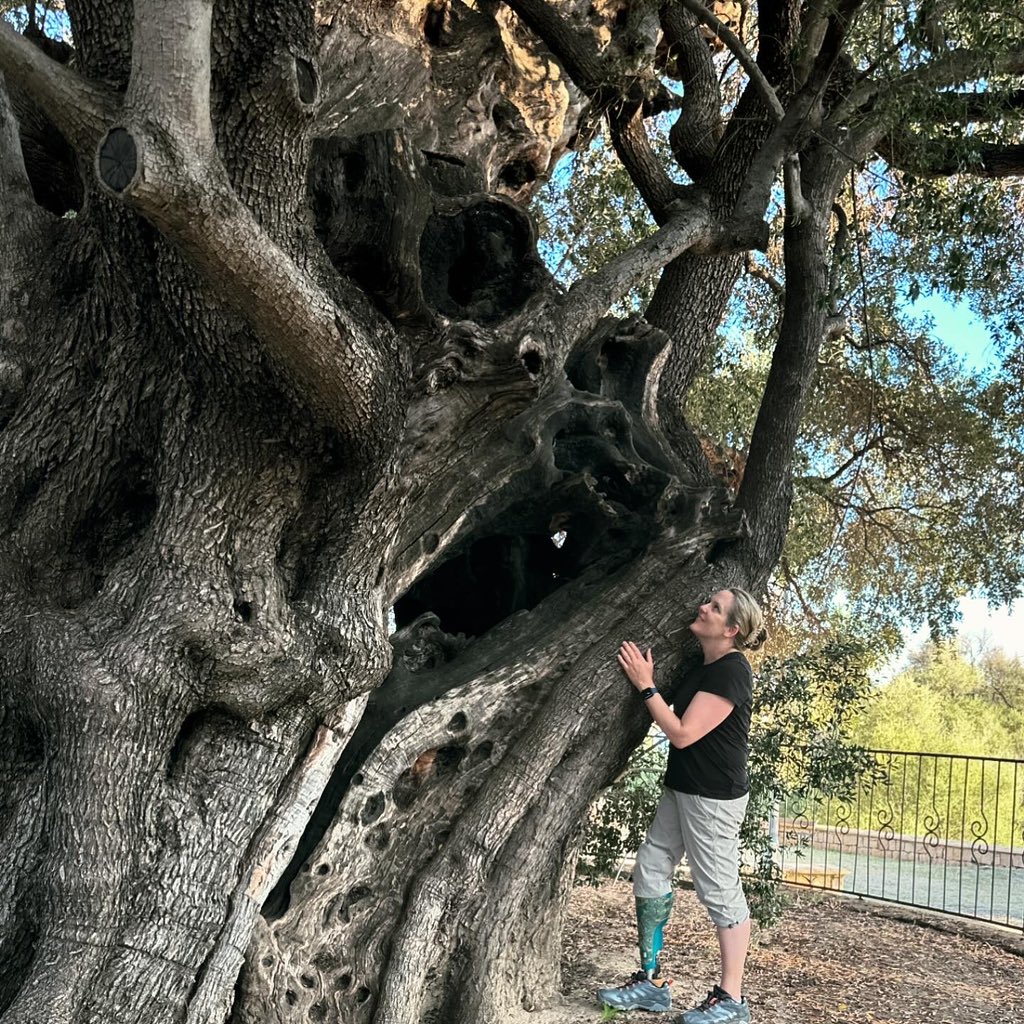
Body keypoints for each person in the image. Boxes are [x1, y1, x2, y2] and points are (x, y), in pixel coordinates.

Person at [596, 588, 767, 1023]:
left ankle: (732, 1000)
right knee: (650, 869)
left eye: (715, 608)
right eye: (708, 601)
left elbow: (683, 733)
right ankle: (651, 984)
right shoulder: (703, 665)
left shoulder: (732, 671)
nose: (702, 607)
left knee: (720, 892)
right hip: (682, 787)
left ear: (731, 630)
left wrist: (645, 684)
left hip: (714, 798)